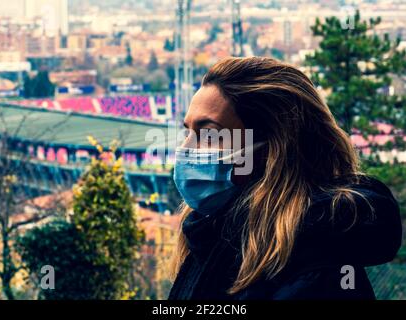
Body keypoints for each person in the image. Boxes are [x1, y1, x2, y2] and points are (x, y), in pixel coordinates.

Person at [167, 57, 402, 300]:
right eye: (188, 132)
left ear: (272, 149)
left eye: (209, 134)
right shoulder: (210, 233)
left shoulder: (320, 269)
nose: (186, 149)